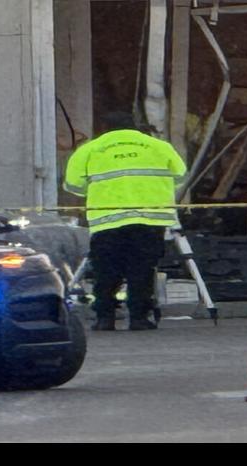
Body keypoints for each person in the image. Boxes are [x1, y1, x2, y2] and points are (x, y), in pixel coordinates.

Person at [64, 113, 188, 331]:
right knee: (142, 268)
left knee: (106, 269)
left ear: (103, 128)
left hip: (107, 222)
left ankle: (105, 318)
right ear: (137, 127)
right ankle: (139, 317)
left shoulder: (90, 150)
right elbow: (180, 175)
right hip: (149, 219)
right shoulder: (158, 146)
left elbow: (73, 186)